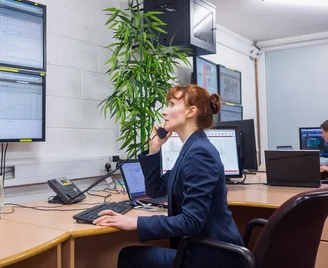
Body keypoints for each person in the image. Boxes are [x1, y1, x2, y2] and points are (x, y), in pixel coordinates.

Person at [93, 85, 244, 268]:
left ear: (191, 111)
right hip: (207, 250)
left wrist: (135, 222)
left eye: (172, 104)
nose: (165, 112)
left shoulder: (199, 153)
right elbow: (156, 190)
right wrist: (154, 148)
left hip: (213, 257)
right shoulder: (191, 149)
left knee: (129, 256)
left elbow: (192, 221)